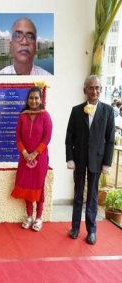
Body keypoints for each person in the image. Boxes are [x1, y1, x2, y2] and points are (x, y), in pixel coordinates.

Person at [65, 75, 115, 245]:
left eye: (97, 88)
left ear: (101, 90)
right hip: (78, 159)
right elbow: (69, 138)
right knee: (78, 194)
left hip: (97, 159)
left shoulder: (108, 111)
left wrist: (107, 163)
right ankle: (75, 228)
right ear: (84, 90)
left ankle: (92, 230)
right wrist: (70, 159)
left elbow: (110, 140)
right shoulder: (76, 110)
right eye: (91, 88)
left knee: (92, 196)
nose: (94, 91)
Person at [11, 86, 53, 232]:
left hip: (39, 158)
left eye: (36, 98)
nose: (33, 101)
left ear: (41, 100)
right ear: (27, 100)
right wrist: (24, 153)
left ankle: (39, 217)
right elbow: (18, 137)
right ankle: (29, 216)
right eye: (31, 98)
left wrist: (34, 154)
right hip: (24, 158)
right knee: (27, 186)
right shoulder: (23, 116)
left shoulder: (45, 116)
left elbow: (47, 138)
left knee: (38, 187)